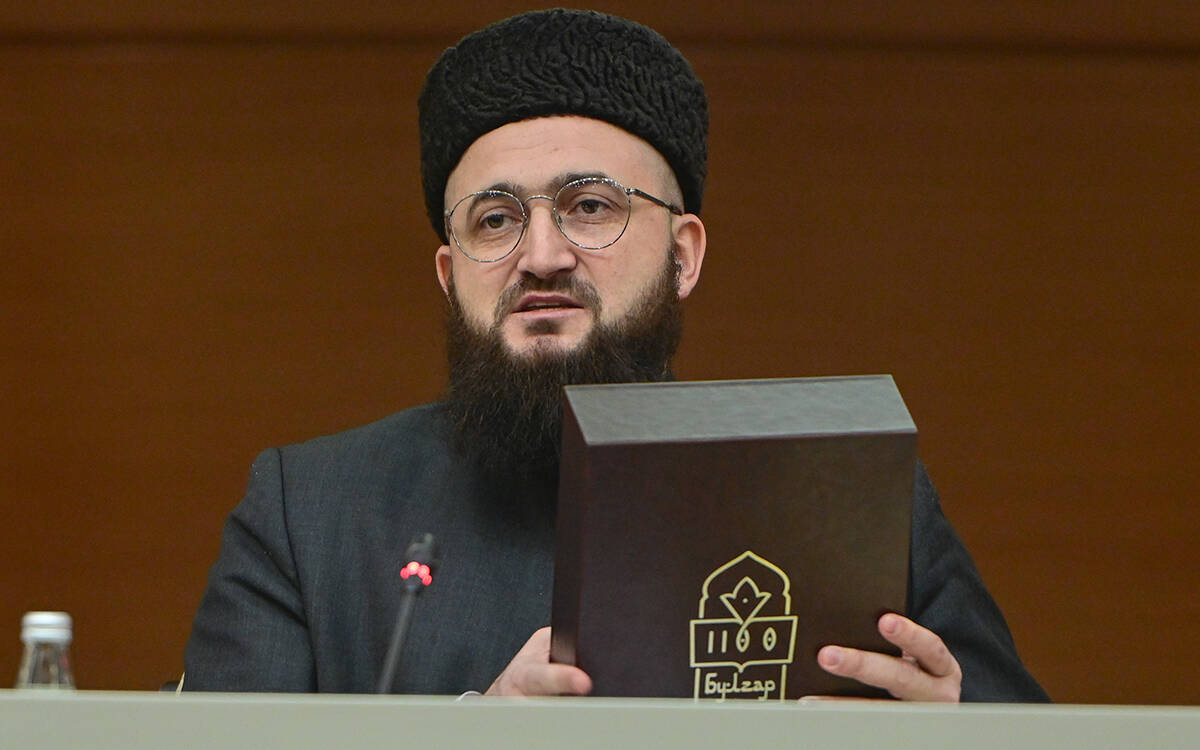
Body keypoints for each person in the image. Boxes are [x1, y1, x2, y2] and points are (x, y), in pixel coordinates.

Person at [184, 9, 1047, 703]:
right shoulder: (311, 516)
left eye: (590, 206)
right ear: (450, 276)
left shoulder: (851, 494)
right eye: (495, 219)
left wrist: (953, 737)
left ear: (683, 255)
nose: (542, 255)